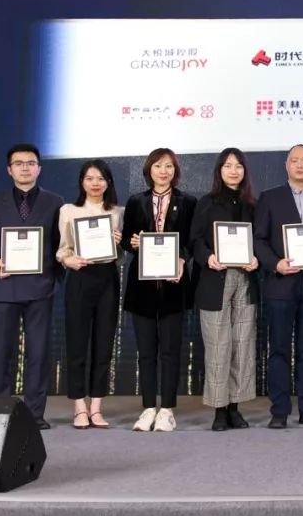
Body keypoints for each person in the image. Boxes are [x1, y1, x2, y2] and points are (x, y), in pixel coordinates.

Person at [0, 143, 63, 430]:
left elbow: (62, 244)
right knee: (0, 354)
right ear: (9, 169)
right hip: (4, 287)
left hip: (40, 288)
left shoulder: (55, 202)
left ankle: (34, 415)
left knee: (38, 354)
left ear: (39, 168)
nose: (25, 168)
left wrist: (57, 272)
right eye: (19, 163)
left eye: (30, 163)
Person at [253, 144, 303, 429]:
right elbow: (258, 240)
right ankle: (280, 410)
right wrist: (275, 264)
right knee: (279, 349)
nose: (300, 165)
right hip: (281, 285)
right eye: (294, 160)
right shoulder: (269, 198)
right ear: (286, 165)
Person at [121, 148, 196, 433]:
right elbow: (126, 241)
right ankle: (148, 407)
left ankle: (167, 409)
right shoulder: (135, 201)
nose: (163, 171)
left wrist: (181, 259)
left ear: (175, 171)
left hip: (173, 284)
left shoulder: (188, 202)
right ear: (149, 170)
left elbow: (191, 241)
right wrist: (133, 243)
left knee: (170, 351)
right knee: (146, 352)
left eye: (168, 166)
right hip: (142, 285)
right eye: (158, 166)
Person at [189, 147, 260, 432]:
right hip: (214, 280)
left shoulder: (253, 205)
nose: (233, 171)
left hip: (245, 280)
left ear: (245, 171)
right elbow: (194, 241)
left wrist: (257, 258)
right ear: (219, 170)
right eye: (228, 165)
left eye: (238, 166)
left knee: (242, 345)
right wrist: (208, 257)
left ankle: (235, 408)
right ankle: (219, 409)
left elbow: (262, 240)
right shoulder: (206, 203)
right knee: (218, 346)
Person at [57, 159, 124, 429]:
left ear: (108, 182)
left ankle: (96, 407)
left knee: (103, 344)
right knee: (77, 344)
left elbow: (121, 254)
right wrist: (67, 260)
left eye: (100, 178)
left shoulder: (118, 212)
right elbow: (62, 249)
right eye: (89, 178)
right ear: (82, 182)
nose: (95, 183)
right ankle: (79, 407)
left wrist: (119, 243)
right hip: (80, 277)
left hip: (107, 278)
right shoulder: (68, 210)